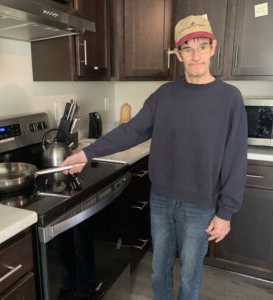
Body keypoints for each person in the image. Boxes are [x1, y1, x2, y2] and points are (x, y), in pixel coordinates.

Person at [60, 15, 247, 300]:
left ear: (213, 47)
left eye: (201, 46)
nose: (195, 55)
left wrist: (226, 213)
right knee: (159, 271)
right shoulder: (164, 95)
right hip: (161, 200)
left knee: (189, 274)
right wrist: (87, 152)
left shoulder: (230, 99)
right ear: (178, 55)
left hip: (201, 205)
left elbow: (235, 159)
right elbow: (131, 131)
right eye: (187, 48)